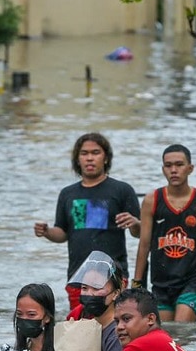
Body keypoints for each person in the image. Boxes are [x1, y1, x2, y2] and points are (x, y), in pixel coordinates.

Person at [34, 132, 141, 310]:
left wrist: (135, 223)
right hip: (78, 276)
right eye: (84, 153)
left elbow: (140, 233)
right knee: (80, 329)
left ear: (106, 158)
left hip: (113, 275)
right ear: (77, 160)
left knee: (114, 326)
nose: (90, 158)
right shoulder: (68, 194)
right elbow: (62, 233)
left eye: (95, 153)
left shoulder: (122, 190)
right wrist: (47, 232)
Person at [133, 144, 196, 322]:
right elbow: (144, 244)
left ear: (190, 168)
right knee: (166, 331)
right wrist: (137, 282)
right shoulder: (151, 200)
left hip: (192, 279)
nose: (173, 170)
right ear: (162, 169)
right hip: (160, 281)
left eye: (179, 164)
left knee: (182, 328)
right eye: (168, 166)